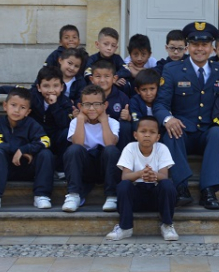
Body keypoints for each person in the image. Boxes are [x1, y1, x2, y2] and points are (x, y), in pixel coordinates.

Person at [154, 22, 219, 210]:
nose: (200, 49)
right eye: (195, 44)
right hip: (184, 130)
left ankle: (208, 190)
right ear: (188, 47)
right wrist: (168, 119)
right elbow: (160, 103)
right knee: (170, 133)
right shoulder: (172, 69)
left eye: (204, 45)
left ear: (212, 48)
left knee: (218, 133)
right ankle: (181, 188)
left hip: (207, 131)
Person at [106, 117, 177, 242]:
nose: (147, 135)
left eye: (152, 132)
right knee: (123, 186)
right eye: (143, 131)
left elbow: (164, 176)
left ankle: (167, 225)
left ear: (158, 137)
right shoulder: (130, 148)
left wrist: (153, 175)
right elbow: (125, 176)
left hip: (156, 196)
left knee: (167, 184)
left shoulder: (162, 149)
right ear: (135, 135)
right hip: (135, 197)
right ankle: (125, 227)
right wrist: (140, 174)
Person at [0, 88, 53, 211]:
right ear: (5, 106)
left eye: (22, 107)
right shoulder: (0, 122)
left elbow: (45, 140)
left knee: (46, 154)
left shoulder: (32, 124)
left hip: (28, 168)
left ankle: (42, 195)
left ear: (28, 111)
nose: (17, 110)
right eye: (13, 105)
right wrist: (18, 151)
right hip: (5, 168)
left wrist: (25, 149)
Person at [61, 85, 120, 213]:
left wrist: (104, 121)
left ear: (105, 105)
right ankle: (73, 195)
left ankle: (111, 196)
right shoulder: (75, 122)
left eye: (97, 104)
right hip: (85, 167)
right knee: (74, 150)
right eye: (87, 104)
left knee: (111, 151)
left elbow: (110, 143)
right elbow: (78, 143)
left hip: (104, 167)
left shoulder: (113, 122)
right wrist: (81, 120)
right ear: (80, 106)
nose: (92, 108)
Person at [84, 59, 132, 150]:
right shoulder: (86, 95)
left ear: (114, 79)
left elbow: (131, 117)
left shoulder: (122, 97)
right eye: (98, 76)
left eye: (107, 76)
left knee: (126, 126)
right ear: (91, 79)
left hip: (112, 136)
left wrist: (128, 117)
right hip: (92, 133)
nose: (102, 80)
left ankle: (122, 158)